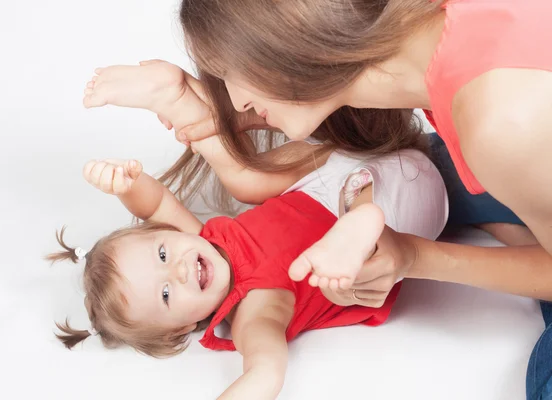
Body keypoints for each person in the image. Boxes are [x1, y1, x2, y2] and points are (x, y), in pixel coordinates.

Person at [144, 1, 549, 397]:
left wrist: (412, 256)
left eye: (230, 72)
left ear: (284, 31)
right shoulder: (446, 35)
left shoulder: (500, 126)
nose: (236, 102)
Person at [50, 85, 447, 398]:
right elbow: (265, 372)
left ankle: (186, 104)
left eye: (162, 253)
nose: (180, 268)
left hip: (353, 165)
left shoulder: (203, 243)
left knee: (253, 178)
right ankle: (362, 222)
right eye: (167, 294)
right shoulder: (253, 315)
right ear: (179, 329)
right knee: (348, 212)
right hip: (396, 218)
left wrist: (125, 185)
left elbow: (157, 205)